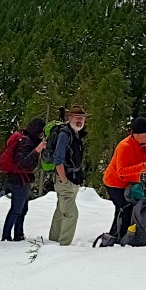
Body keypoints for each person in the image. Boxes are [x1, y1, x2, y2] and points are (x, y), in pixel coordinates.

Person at [103, 117, 146, 238]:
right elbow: (121, 171)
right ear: (138, 134)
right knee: (125, 209)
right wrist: (142, 167)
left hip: (130, 183)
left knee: (126, 210)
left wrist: (145, 166)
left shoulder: (142, 145)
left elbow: (139, 164)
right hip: (114, 183)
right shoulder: (124, 147)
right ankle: (118, 236)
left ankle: (119, 235)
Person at [1, 118, 46, 241]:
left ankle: (18, 234)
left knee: (22, 208)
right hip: (19, 179)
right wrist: (37, 150)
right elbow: (23, 162)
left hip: (20, 178)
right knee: (17, 209)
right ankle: (6, 236)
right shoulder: (25, 141)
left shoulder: (25, 139)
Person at [49, 105, 87, 246]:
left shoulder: (76, 134)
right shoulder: (65, 134)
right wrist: (63, 179)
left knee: (61, 211)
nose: (80, 121)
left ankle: (52, 241)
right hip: (65, 180)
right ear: (69, 118)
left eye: (82, 118)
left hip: (73, 180)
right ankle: (64, 246)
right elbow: (58, 159)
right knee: (71, 214)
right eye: (77, 117)